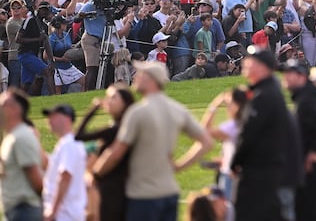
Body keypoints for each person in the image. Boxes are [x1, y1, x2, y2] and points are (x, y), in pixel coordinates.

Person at [93, 61, 213, 221]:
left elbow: (115, 153)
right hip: (170, 192)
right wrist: (179, 166)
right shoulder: (177, 109)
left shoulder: (137, 112)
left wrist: (95, 173)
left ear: (152, 80)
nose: (136, 77)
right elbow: (206, 142)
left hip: (143, 196)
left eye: (141, 74)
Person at [231, 47, 296, 221]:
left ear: (262, 67)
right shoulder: (267, 91)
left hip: (261, 172)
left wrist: (235, 162)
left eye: (250, 61)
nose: (245, 63)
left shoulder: (264, 95)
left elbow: (249, 134)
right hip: (267, 170)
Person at [282, 59, 316, 221]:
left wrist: (314, 151)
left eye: (290, 74)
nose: (285, 78)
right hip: (307, 170)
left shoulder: (307, 100)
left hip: (310, 173)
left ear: (302, 77)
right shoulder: (306, 97)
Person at [75, 84, 135, 221]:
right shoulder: (125, 127)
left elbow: (79, 135)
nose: (107, 101)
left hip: (111, 189)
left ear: (125, 103)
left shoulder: (115, 129)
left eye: (113, 98)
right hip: (124, 187)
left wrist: (93, 109)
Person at [0, 89, 44, 221]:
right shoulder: (12, 137)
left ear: (15, 110)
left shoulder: (21, 137)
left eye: (2, 105)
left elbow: (36, 178)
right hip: (16, 211)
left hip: (25, 211)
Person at [42, 103, 87, 221]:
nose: (49, 120)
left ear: (66, 119)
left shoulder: (69, 144)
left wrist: (53, 210)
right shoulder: (67, 143)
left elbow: (65, 177)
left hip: (65, 213)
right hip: (67, 212)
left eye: (53, 116)